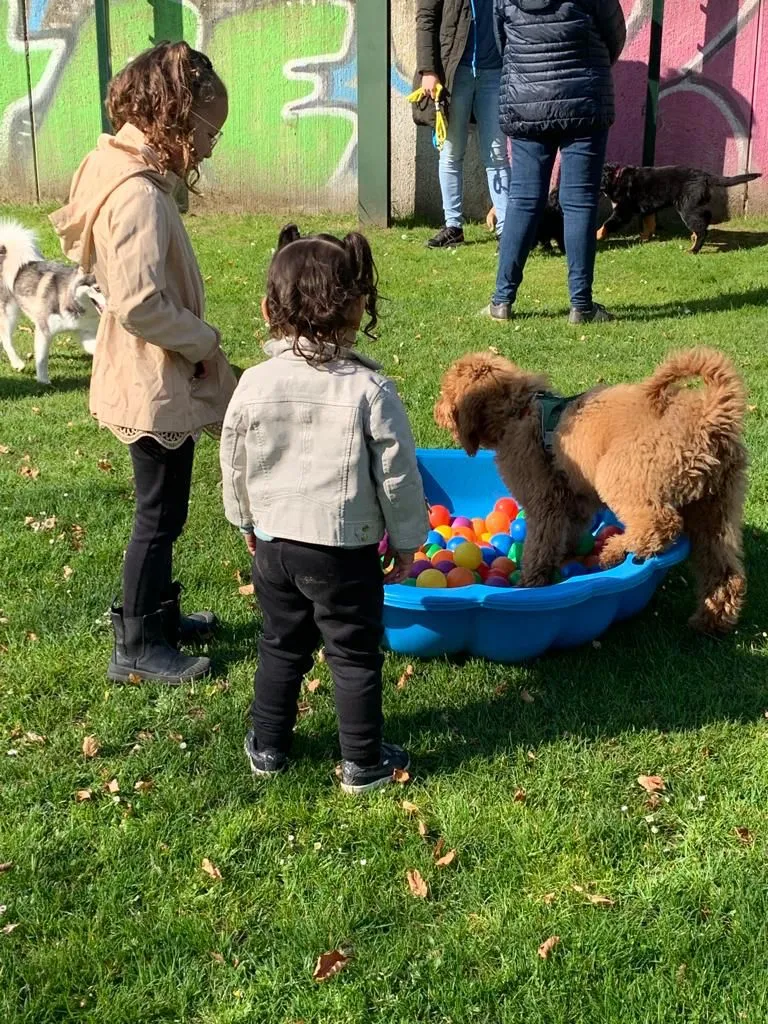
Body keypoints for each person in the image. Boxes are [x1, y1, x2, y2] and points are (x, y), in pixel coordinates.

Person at [50, 42, 237, 684]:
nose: (211, 146)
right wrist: (203, 341)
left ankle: (158, 614)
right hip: (151, 379)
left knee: (168, 510)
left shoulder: (131, 172)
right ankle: (135, 645)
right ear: (176, 118)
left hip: (153, 373)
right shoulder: (137, 196)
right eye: (210, 132)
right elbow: (139, 304)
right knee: (158, 516)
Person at [220, 226, 428, 794]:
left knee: (280, 643)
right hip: (344, 551)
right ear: (355, 310)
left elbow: (233, 459)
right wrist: (409, 539)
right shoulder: (370, 390)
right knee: (353, 651)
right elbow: (398, 475)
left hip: (277, 548)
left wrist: (245, 520)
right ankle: (362, 762)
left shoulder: (254, 384)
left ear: (269, 309)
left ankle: (267, 745)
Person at [489, 0, 626, 323]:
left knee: (523, 200)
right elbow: (614, 36)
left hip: (527, 102)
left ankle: (501, 301)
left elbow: (502, 42)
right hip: (583, 100)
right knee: (579, 203)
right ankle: (581, 306)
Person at [416, 0, 511, 247]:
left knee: (497, 154)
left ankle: (507, 229)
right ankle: (453, 226)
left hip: (495, 72)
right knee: (451, 152)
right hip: (454, 73)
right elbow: (426, 17)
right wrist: (428, 70)